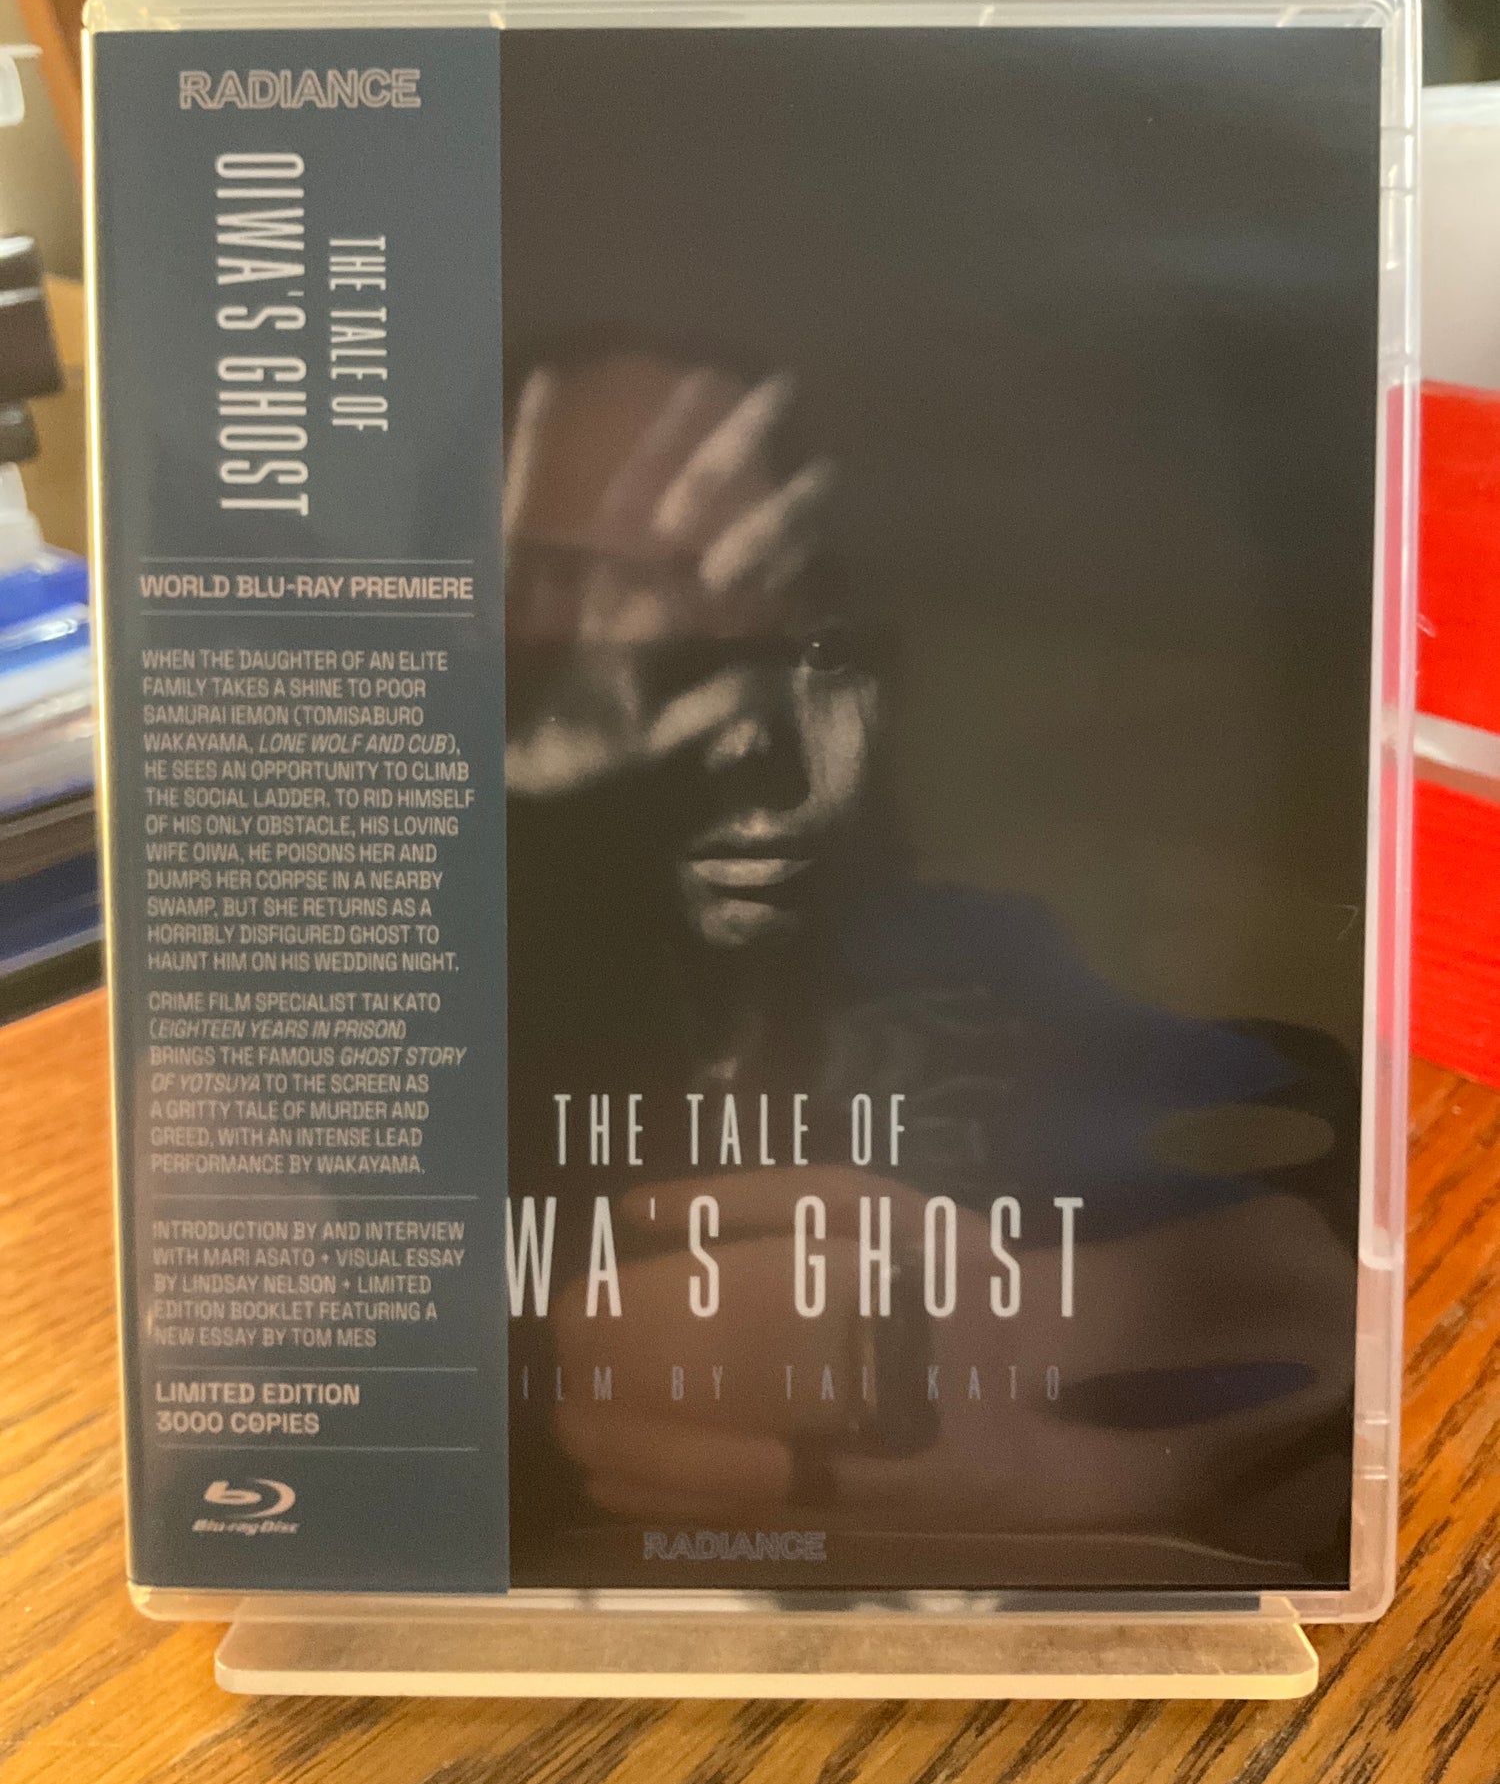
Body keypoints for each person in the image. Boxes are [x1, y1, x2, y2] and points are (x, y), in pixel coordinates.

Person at [502, 346, 1359, 1590]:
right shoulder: (370, 1039)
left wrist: (1153, 1439)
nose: (719, 704)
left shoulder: (998, 967)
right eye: (577, 596)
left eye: (764, 594)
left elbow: (1307, 1197)